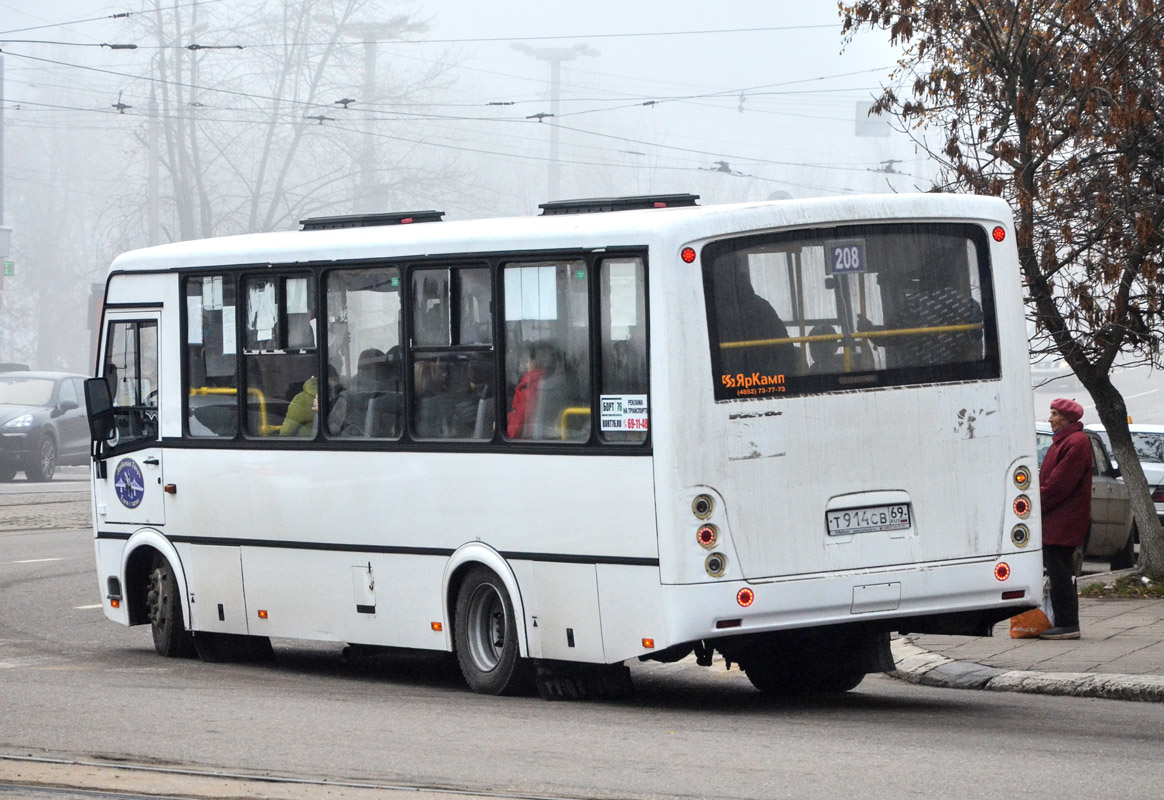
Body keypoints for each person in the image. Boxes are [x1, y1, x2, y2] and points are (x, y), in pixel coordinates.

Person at [1038, 398, 1092, 640]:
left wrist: (1032, 504)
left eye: (1054, 414)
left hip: (1063, 519)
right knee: (1059, 571)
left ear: (1067, 418)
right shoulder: (1062, 442)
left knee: (1060, 572)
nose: (1050, 419)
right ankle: (1063, 621)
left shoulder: (1075, 443)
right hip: (1056, 518)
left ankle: (1068, 623)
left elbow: (1058, 486)